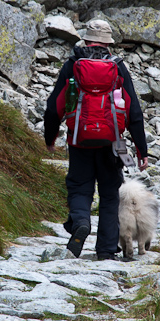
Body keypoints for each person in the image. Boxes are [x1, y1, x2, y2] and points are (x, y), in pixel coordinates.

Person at [44, 19, 149, 261]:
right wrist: (141, 150)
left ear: (86, 39)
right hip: (111, 143)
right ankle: (105, 251)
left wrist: (50, 137)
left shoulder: (73, 65)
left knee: (80, 187)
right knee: (110, 194)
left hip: (79, 140)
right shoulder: (117, 67)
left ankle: (81, 222)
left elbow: (54, 107)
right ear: (108, 44)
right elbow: (133, 112)